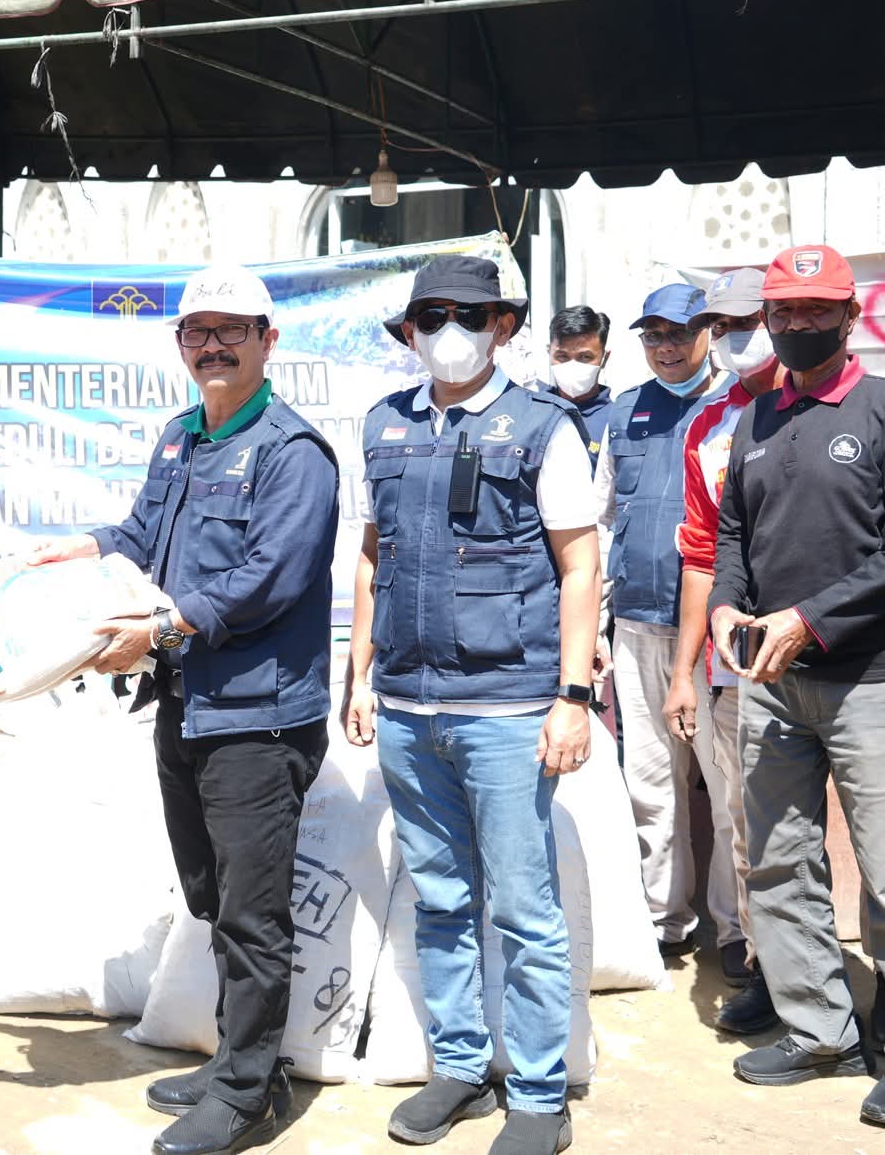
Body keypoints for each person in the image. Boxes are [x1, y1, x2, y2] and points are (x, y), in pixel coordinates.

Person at [30, 263, 339, 1155]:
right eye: (196, 331)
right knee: (209, 893)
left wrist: (162, 624)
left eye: (231, 329)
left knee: (253, 910)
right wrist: (82, 546)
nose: (212, 345)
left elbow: (272, 578)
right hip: (185, 701)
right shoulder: (181, 437)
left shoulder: (292, 452)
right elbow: (142, 536)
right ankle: (239, 1059)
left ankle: (248, 1091)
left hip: (257, 715)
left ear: (267, 341)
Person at [346, 255, 600, 1155]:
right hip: (407, 707)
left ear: (502, 326)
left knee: (525, 911)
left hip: (507, 710)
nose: (449, 330)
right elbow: (372, 555)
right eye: (432, 315)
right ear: (409, 331)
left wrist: (573, 697)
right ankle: (459, 1065)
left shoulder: (543, 428)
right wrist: (357, 674)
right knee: (442, 899)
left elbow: (580, 567)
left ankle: (537, 1094)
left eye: (469, 314)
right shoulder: (382, 425)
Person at [707, 244, 885, 1127]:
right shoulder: (757, 417)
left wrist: (808, 619)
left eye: (818, 310)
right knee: (778, 863)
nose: (799, 324)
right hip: (772, 683)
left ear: (851, 316)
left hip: (871, 680)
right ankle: (823, 1029)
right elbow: (734, 531)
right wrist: (726, 603)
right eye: (784, 311)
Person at [662, 265, 781, 1034]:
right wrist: (684, 671)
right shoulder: (708, 427)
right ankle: (765, 966)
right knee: (747, 820)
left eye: (751, 321)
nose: (740, 338)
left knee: (866, 836)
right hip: (736, 665)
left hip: (840, 663)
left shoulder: (844, 405)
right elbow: (700, 558)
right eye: (725, 326)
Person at [589, 282, 720, 960]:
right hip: (637, 626)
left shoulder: (737, 407)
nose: (666, 347)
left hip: (716, 638)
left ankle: (737, 931)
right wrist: (595, 626)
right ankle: (665, 921)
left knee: (727, 789)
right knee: (649, 784)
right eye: (653, 335)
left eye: (679, 332)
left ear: (709, 333)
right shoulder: (623, 414)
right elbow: (599, 519)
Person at [539, 305, 615, 464]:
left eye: (585, 357)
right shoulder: (532, 412)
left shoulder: (616, 420)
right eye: (562, 356)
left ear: (604, 358)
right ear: (549, 353)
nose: (572, 365)